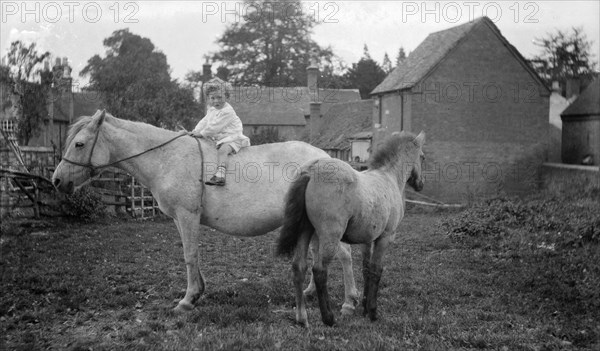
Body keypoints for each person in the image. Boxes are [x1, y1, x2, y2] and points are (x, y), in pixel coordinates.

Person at [191, 78, 250, 186]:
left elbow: (214, 127)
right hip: (220, 138)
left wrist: (201, 134)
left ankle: (220, 176)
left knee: (223, 150)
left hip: (233, 138)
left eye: (219, 97)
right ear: (208, 99)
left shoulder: (228, 111)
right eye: (212, 98)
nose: (216, 101)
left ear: (226, 97)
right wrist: (195, 130)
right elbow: (204, 121)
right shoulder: (212, 110)